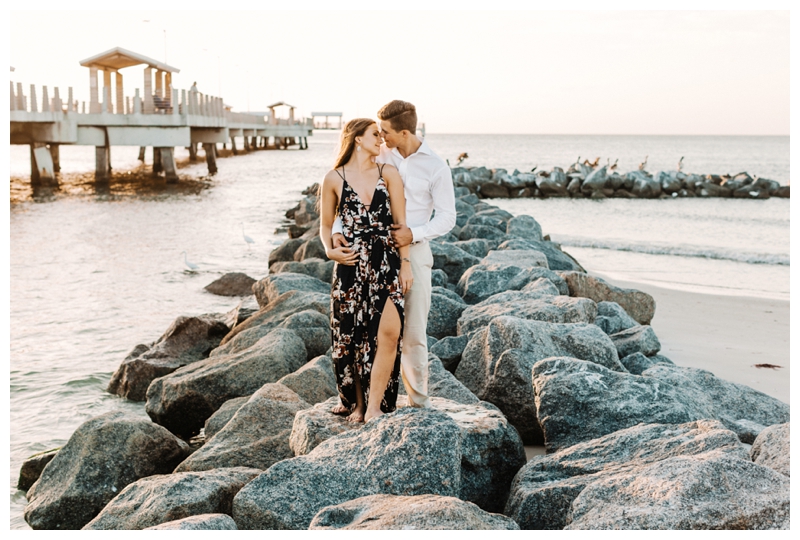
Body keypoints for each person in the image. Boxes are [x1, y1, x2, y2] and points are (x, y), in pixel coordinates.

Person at [332, 101, 457, 408]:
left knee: (412, 332)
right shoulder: (379, 152)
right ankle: (362, 401)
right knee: (362, 330)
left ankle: (417, 405)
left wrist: (414, 233)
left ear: (404, 132)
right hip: (368, 254)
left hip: (412, 253)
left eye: (385, 131)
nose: (380, 135)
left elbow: (448, 217)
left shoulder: (436, 166)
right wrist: (336, 229)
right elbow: (348, 194)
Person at [319, 118, 413, 423]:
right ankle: (358, 404)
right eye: (375, 134)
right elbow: (324, 225)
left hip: (385, 262)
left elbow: (401, 225)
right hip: (350, 265)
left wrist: (406, 264)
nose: (381, 140)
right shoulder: (333, 178)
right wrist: (330, 248)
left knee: (388, 332)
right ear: (357, 139)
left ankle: (375, 406)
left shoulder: (389, 173)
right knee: (351, 337)